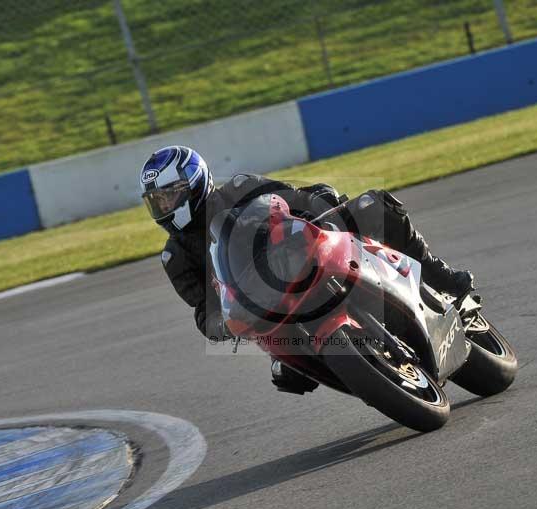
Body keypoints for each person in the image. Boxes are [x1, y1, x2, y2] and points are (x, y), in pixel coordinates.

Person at [140, 145, 473, 394]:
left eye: (168, 197)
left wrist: (324, 201)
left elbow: (297, 197)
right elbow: (202, 309)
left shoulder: (238, 187)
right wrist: (219, 325)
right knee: (288, 375)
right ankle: (361, 369)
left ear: (194, 184)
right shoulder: (176, 257)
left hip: (306, 256)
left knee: (374, 205)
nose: (164, 208)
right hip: (268, 311)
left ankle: (437, 273)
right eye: (157, 202)